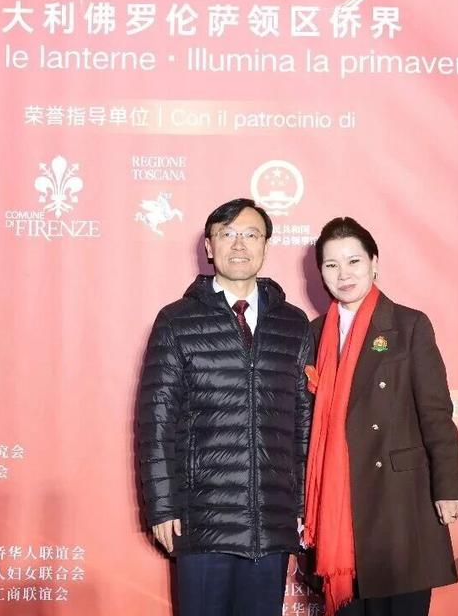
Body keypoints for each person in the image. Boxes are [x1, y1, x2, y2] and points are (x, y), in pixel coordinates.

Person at [136, 197, 314, 616]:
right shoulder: (177, 320)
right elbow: (156, 420)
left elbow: (304, 424)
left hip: (270, 522)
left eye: (251, 234)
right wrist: (163, 507)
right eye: (227, 234)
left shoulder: (293, 324)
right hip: (202, 521)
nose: (239, 244)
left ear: (265, 246)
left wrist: (304, 504)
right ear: (209, 247)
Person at [302, 217, 458, 616]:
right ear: (321, 272)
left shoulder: (408, 325)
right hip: (337, 503)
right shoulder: (313, 333)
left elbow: (436, 412)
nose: (344, 274)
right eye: (331, 265)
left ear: (374, 263)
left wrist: (448, 485)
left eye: (354, 261)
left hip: (399, 499)